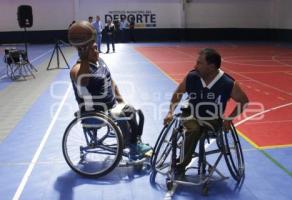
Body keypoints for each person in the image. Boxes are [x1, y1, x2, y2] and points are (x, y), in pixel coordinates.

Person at [69, 21, 152, 160]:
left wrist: (120, 99)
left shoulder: (100, 62)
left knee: (132, 110)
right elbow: (82, 81)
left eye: (97, 48)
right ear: (85, 52)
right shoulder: (77, 69)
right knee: (126, 113)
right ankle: (132, 144)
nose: (97, 51)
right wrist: (83, 58)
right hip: (95, 112)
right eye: (94, 49)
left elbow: (111, 80)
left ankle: (134, 141)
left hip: (110, 107)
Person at [163, 48, 249, 176]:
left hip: (212, 118)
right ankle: (181, 164)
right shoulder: (192, 76)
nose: (195, 66)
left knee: (197, 128)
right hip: (190, 113)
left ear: (211, 67)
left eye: (199, 63)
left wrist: (230, 118)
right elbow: (178, 93)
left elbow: (244, 101)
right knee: (194, 129)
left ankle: (184, 152)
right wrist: (170, 112)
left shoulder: (227, 83)